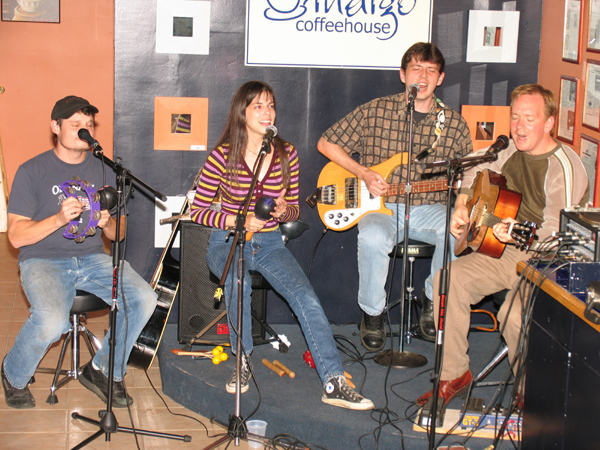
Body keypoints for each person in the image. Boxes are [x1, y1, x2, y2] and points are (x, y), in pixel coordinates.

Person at [190, 81, 374, 410]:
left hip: (271, 243)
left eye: (271, 105)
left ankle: (333, 381)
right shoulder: (222, 156)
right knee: (237, 282)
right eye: (258, 106)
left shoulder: (286, 153)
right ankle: (242, 360)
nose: (267, 112)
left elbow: (293, 211)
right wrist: (238, 220)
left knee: (306, 297)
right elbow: (199, 211)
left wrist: (281, 211)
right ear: (242, 112)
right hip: (228, 241)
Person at [416, 84, 589, 406]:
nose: (519, 127)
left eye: (529, 119)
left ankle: (531, 394)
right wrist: (462, 204)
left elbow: (556, 232)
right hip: (504, 250)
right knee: (447, 280)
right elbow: (472, 166)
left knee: (512, 314)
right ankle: (455, 374)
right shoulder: (510, 151)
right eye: (515, 117)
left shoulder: (564, 166)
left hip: (547, 261)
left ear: (549, 123)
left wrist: (519, 232)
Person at [1, 95, 158, 409]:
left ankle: (102, 369)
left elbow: (119, 233)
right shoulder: (32, 170)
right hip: (43, 260)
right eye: (75, 125)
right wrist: (58, 219)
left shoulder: (105, 171)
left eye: (88, 125)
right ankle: (13, 373)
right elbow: (16, 237)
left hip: (92, 259)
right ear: (55, 127)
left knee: (144, 298)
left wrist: (107, 222)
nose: (84, 131)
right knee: (51, 321)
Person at [317, 42, 473, 350]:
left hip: (430, 206)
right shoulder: (376, 110)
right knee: (373, 237)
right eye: (416, 69)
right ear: (403, 74)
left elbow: (469, 171)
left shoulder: (453, 124)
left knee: (458, 230)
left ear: (440, 78)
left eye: (431, 71)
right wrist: (363, 173)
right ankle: (373, 313)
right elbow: (326, 143)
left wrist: (463, 204)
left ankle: (432, 300)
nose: (423, 77)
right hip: (380, 206)